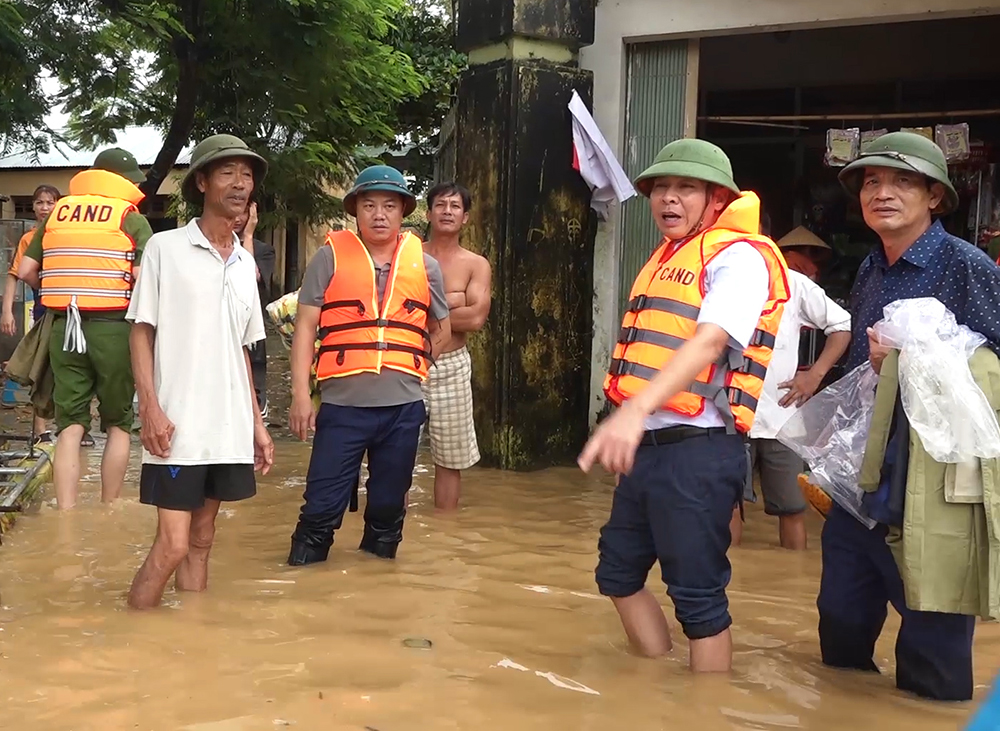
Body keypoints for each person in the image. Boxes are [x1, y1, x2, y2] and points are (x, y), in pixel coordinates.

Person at [578, 139, 790, 673]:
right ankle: (658, 689)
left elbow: (709, 342)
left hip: (698, 452)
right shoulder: (668, 257)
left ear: (717, 199)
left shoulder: (739, 258)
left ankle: (706, 709)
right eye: (661, 188)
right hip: (647, 450)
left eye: (686, 188)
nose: (669, 199)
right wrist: (631, 419)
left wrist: (631, 409)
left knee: (697, 598)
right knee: (618, 576)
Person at [819, 131, 1000, 701]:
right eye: (872, 181)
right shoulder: (872, 266)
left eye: (902, 181)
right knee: (841, 626)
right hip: (862, 471)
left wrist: (915, 357)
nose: (882, 192)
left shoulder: (965, 266)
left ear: (935, 198)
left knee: (933, 637)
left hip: (932, 473)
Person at [126, 133, 274, 610]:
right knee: (172, 545)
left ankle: (190, 647)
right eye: (228, 173)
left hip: (227, 427)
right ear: (203, 182)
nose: (239, 184)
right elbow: (141, 332)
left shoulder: (245, 264)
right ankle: (132, 632)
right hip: (177, 426)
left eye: (247, 175)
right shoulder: (165, 249)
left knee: (204, 538)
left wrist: (256, 425)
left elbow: (242, 353)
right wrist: (149, 406)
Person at [288, 165, 451, 565]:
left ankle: (378, 593)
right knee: (321, 507)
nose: (379, 214)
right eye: (369, 205)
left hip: (402, 409)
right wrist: (299, 397)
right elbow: (306, 326)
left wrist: (415, 364)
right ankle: (305, 585)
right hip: (343, 407)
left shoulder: (426, 266)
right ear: (355, 212)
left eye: (389, 206)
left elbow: (442, 329)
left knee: (388, 510)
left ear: (403, 212)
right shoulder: (328, 258)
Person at [18, 148, 153, 508]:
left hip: (64, 328)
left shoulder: (57, 215)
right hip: (115, 329)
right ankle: (109, 508)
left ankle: (66, 515)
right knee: (118, 424)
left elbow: (28, 271)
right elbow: (144, 280)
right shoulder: (130, 217)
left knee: (70, 426)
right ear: (120, 181)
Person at [730, 226, 851, 550]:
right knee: (726, 508)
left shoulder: (793, 284)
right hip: (727, 414)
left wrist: (814, 375)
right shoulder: (718, 279)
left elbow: (841, 326)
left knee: (792, 509)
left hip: (779, 416)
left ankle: (790, 580)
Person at [421, 182, 491, 510]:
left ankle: (445, 535)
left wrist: (424, 311)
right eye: (440, 205)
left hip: (452, 365)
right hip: (406, 362)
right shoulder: (408, 256)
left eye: (455, 206)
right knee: (395, 456)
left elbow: (476, 319)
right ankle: (391, 531)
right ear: (428, 212)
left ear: (465, 217)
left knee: (450, 458)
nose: (447, 211)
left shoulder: (475, 264)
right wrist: (452, 305)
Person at [2, 184, 59, 442]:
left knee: (71, 366)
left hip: (69, 307)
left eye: (50, 202)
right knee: (40, 367)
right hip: (42, 307)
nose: (44, 207)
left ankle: (76, 428)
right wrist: (7, 312)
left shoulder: (64, 234)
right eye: (39, 202)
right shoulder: (29, 238)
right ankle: (41, 430)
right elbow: (16, 275)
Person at [233, 201, 276, 420]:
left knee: (254, 408)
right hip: (222, 329)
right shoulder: (213, 247)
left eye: (244, 214)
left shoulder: (263, 251)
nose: (238, 218)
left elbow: (250, 278)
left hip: (252, 329)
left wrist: (248, 237)